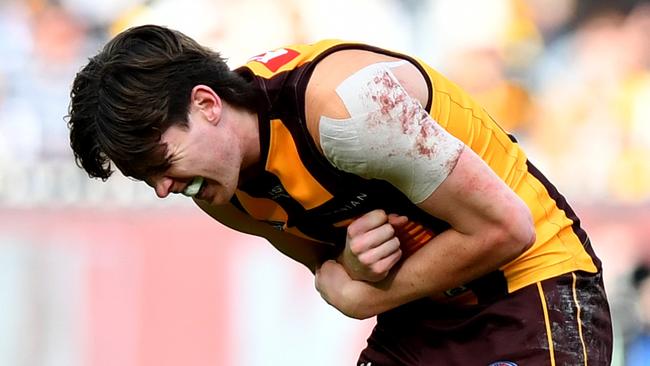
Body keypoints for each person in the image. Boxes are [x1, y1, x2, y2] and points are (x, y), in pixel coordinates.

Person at [67, 25, 612, 365]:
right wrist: (353, 266)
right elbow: (333, 270)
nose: (164, 189)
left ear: (207, 104)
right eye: (147, 179)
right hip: (422, 319)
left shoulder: (346, 107)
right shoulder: (221, 193)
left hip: (533, 291)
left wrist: (360, 295)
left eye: (162, 163)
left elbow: (507, 229)